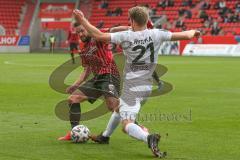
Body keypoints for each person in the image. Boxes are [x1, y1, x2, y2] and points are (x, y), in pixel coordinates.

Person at [73, 6, 200, 157]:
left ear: (132, 21)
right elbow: (186, 35)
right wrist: (194, 32)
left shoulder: (126, 36)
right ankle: (105, 136)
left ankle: (148, 138)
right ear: (146, 20)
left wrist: (82, 20)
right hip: (147, 87)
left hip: (132, 88)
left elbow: (99, 35)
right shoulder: (157, 33)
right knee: (118, 109)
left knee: (126, 124)